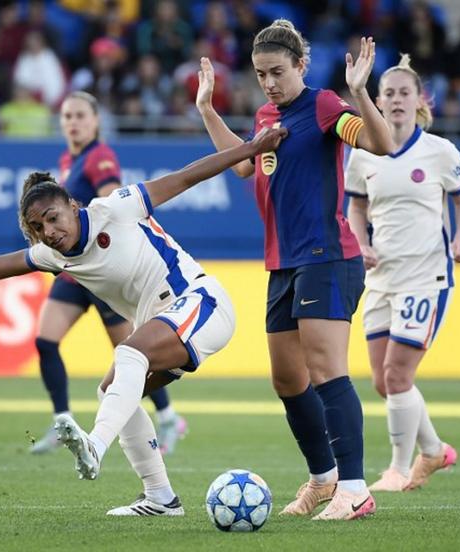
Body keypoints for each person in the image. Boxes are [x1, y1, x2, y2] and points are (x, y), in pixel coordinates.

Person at [0, 125, 288, 516]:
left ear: (73, 205)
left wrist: (250, 149)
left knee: (129, 352)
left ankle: (95, 445)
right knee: (112, 390)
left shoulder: (117, 208)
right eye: (37, 228)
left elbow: (185, 176)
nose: (48, 232)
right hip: (166, 322)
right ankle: (160, 498)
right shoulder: (53, 255)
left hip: (201, 301)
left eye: (53, 218)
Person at [196, 20, 394, 521]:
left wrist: (360, 93)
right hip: (283, 264)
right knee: (287, 379)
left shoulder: (326, 105)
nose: (269, 82)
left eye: (278, 72)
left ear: (301, 66)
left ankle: (355, 489)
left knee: (327, 371)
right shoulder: (266, 115)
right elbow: (243, 165)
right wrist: (206, 109)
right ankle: (324, 480)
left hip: (327, 256)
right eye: (261, 74)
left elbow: (381, 143)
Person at [30, 91, 188, 457]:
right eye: (67, 116)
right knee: (45, 340)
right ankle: (62, 421)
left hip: (102, 274)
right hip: (75, 274)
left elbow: (110, 204)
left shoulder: (100, 157)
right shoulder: (69, 160)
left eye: (80, 115)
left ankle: (168, 416)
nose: (73, 122)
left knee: (131, 354)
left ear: (96, 120)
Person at [345, 54, 460, 492]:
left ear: (419, 99)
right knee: (384, 382)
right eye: (389, 93)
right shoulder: (363, 154)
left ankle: (398, 470)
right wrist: (361, 242)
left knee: (399, 377)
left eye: (405, 93)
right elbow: (356, 206)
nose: (397, 100)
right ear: (378, 102)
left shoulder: (439, 151)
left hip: (426, 278)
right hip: (381, 279)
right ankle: (434, 451)